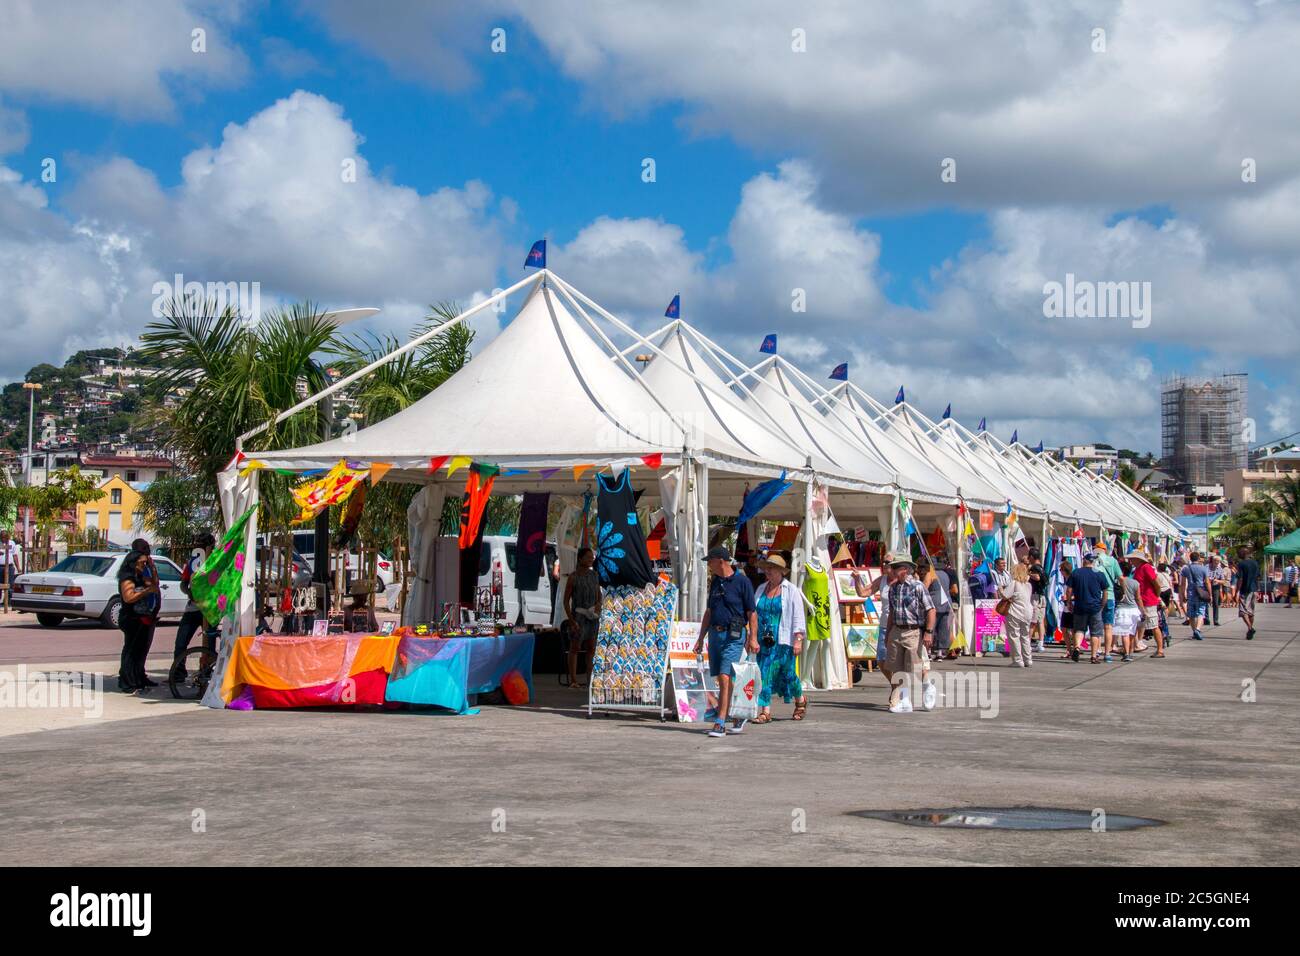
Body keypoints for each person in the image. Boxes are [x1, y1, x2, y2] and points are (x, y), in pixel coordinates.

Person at [694, 545, 757, 737]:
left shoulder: (742, 582)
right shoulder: (715, 582)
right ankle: (737, 713)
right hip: (715, 634)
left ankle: (720, 722)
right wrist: (700, 637)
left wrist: (753, 638)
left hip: (734, 636)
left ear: (720, 561)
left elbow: (751, 613)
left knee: (724, 677)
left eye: (710, 562)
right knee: (725, 678)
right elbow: (709, 612)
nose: (709, 566)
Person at [752, 554, 808, 724]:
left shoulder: (791, 590)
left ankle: (800, 699)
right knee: (764, 673)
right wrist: (752, 636)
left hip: (783, 640)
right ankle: (765, 711)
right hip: (764, 641)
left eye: (771, 568)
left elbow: (798, 616)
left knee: (788, 674)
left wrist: (798, 640)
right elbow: (754, 613)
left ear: (780, 572)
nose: (767, 571)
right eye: (766, 568)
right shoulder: (761, 589)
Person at [879, 551, 935, 713]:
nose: (891, 570)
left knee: (916, 667)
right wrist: (888, 633)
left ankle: (928, 688)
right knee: (897, 668)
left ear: (904, 569)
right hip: (897, 629)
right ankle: (905, 701)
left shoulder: (918, 586)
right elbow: (891, 613)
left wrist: (929, 632)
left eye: (894, 567)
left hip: (913, 630)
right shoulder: (893, 588)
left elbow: (931, 609)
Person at [171, 532, 216, 681]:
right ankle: (178, 673)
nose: (196, 546)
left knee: (209, 645)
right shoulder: (193, 561)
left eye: (199, 544)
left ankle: (207, 671)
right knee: (181, 643)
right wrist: (189, 592)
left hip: (209, 609)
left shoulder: (216, 561)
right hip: (192, 609)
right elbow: (183, 583)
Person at [116, 549, 161, 693]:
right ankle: (126, 681)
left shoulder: (140, 575)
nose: (143, 565)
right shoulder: (127, 578)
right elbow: (128, 597)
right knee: (131, 650)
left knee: (140, 651)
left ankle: (137, 678)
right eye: (142, 563)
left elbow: (154, 583)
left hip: (142, 617)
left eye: (145, 563)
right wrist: (146, 591)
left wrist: (152, 568)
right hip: (131, 617)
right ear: (133, 563)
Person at [563, 547, 601, 690]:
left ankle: (590, 680)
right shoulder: (573, 577)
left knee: (591, 648)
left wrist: (598, 605)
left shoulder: (594, 575)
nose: (591, 559)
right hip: (578, 617)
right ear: (580, 559)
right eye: (588, 557)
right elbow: (566, 601)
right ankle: (573, 680)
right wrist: (571, 620)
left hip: (592, 617)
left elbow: (599, 595)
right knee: (575, 648)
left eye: (592, 557)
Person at [1065, 552, 1107, 663]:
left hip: (1080, 605)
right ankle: (1093, 656)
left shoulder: (1076, 572)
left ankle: (1077, 647)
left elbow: (1069, 590)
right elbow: (1105, 591)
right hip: (1095, 607)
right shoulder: (1099, 573)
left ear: (1084, 561)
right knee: (1095, 633)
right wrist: (1103, 604)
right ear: (1093, 562)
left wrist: (1069, 603)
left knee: (1079, 629)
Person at [997, 561, 1034, 667]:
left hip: (1015, 612)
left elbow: (1005, 595)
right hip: (1027, 611)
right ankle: (1028, 659)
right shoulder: (1028, 585)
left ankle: (1018, 660)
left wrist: (1000, 589)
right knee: (1025, 636)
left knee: (1014, 636)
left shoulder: (1014, 583)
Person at [1130, 550, 1165, 658]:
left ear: (1138, 559)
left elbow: (1156, 583)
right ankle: (1130, 648)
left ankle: (1160, 650)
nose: (1130, 560)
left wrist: (1156, 595)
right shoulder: (1138, 569)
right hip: (1140, 601)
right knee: (1136, 625)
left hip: (1148, 601)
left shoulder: (1146, 567)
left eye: (1132, 558)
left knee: (1154, 626)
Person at [916, 558, 951, 662]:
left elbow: (924, 588)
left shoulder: (930, 574)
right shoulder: (945, 574)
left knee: (931, 627)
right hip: (946, 602)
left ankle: (929, 652)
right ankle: (940, 653)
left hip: (934, 602)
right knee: (943, 628)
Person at [1093, 541, 1121, 662]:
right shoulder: (1112, 561)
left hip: (1095, 596)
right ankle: (1107, 653)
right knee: (1108, 626)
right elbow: (1120, 577)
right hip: (1109, 595)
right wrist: (1123, 591)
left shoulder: (1092, 561)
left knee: (1096, 625)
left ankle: (1097, 650)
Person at [1113, 559, 1141, 661]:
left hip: (1122, 610)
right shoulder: (1135, 583)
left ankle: (1127, 654)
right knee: (1132, 632)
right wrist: (1142, 610)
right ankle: (1130, 651)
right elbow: (1138, 598)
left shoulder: (1117, 581)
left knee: (1124, 633)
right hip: (1134, 609)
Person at [1181, 552, 1210, 641]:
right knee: (1201, 612)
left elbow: (1183, 583)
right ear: (1198, 558)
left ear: (1190, 558)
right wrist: (1210, 593)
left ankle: (1194, 631)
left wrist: (1183, 593)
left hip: (1190, 593)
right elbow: (1207, 582)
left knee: (1191, 614)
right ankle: (1198, 629)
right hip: (1201, 593)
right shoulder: (1204, 568)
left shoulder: (1186, 569)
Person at [1235, 545, 1260, 640]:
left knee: (1242, 611)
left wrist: (1237, 590)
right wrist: (1257, 589)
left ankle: (1250, 628)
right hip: (1253, 590)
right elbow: (1258, 577)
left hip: (1244, 590)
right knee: (1251, 612)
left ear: (1242, 554)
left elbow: (1240, 579)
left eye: (1239, 553)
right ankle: (1250, 632)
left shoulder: (1241, 564)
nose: (1238, 555)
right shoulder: (1255, 563)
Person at [1026, 547, 1047, 652]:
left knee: (1033, 620)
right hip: (1042, 596)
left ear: (1032, 557)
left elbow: (1037, 578)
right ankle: (1041, 643)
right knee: (1040, 620)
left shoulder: (1034, 567)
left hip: (1035, 596)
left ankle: (1027, 643)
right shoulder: (1042, 567)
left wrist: (1028, 573)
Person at [1208, 555, 1228, 627]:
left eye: (1218, 561)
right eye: (1215, 561)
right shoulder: (1207, 567)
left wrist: (1217, 581)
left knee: (1216, 604)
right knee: (1205, 602)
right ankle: (1206, 619)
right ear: (1212, 561)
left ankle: (1215, 620)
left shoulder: (1220, 569)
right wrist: (1208, 580)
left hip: (1215, 587)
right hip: (1207, 587)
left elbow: (1223, 581)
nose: (1217, 563)